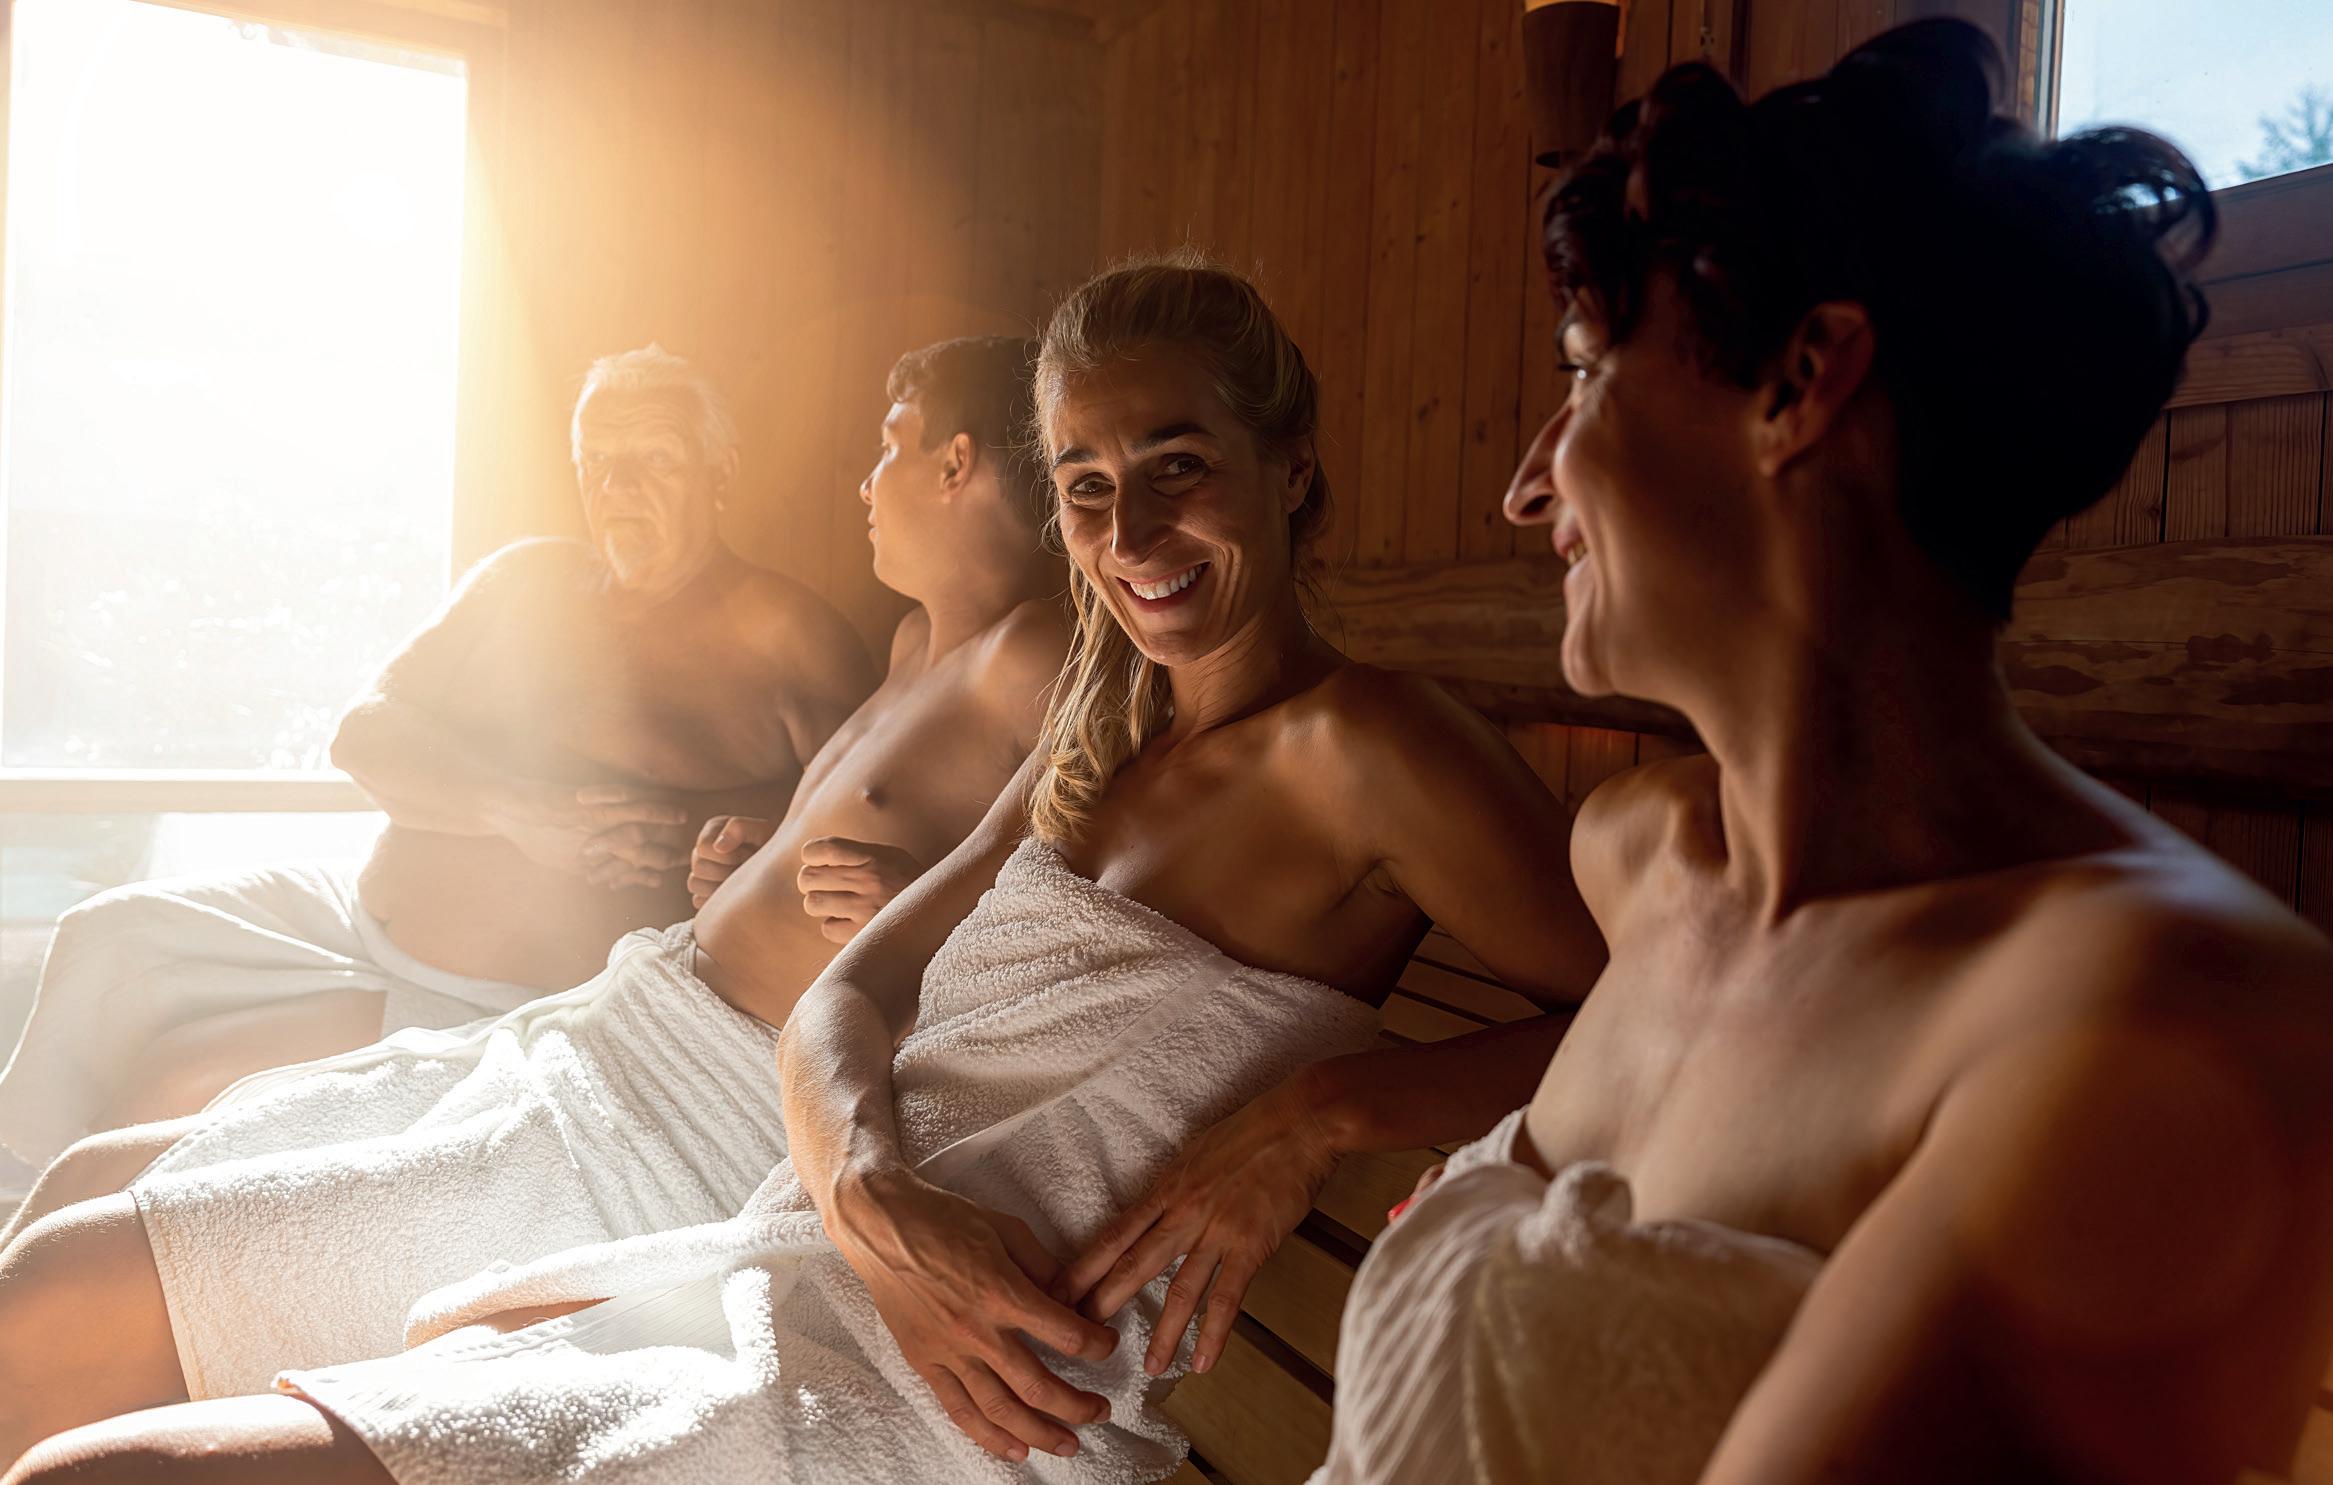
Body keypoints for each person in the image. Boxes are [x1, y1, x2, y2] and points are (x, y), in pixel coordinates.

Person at [2, 256, 1608, 1485]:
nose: (1132, 532)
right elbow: (852, 988)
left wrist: (1319, 1113)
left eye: (1178, 464)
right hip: (818, 1266)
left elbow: (1646, 1016)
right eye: (1088, 488)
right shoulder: (1106, 731)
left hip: (972, 1402)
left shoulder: (1373, 748)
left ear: (1291, 465)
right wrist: (868, 1190)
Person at [1311, 22, 2333, 1485]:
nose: (1525, 483)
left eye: (1588, 372)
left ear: (1803, 379)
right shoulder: (1638, 858)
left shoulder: (2146, 1009)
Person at [0, 335, 1080, 1465]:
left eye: (889, 447)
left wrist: (912, 907)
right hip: (618, 1018)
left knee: (65, 1291)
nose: (864, 482)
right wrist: (741, 860)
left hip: (690, 1099)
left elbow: (1074, 923)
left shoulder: (1024, 654)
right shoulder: (912, 643)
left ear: (955, 463)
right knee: (90, 1162)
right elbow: (852, 823)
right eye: (597, 462)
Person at [0, 346, 873, 1169]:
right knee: (100, 940)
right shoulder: (524, 580)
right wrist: (517, 811)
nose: (619, 487)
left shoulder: (787, 636)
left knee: (174, 1077)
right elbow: (363, 733)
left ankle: (61, 1243)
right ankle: (24, 1187)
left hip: (504, 996)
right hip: (353, 912)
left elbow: (858, 828)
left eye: (653, 459)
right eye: (598, 461)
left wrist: (712, 837)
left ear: (719, 470)